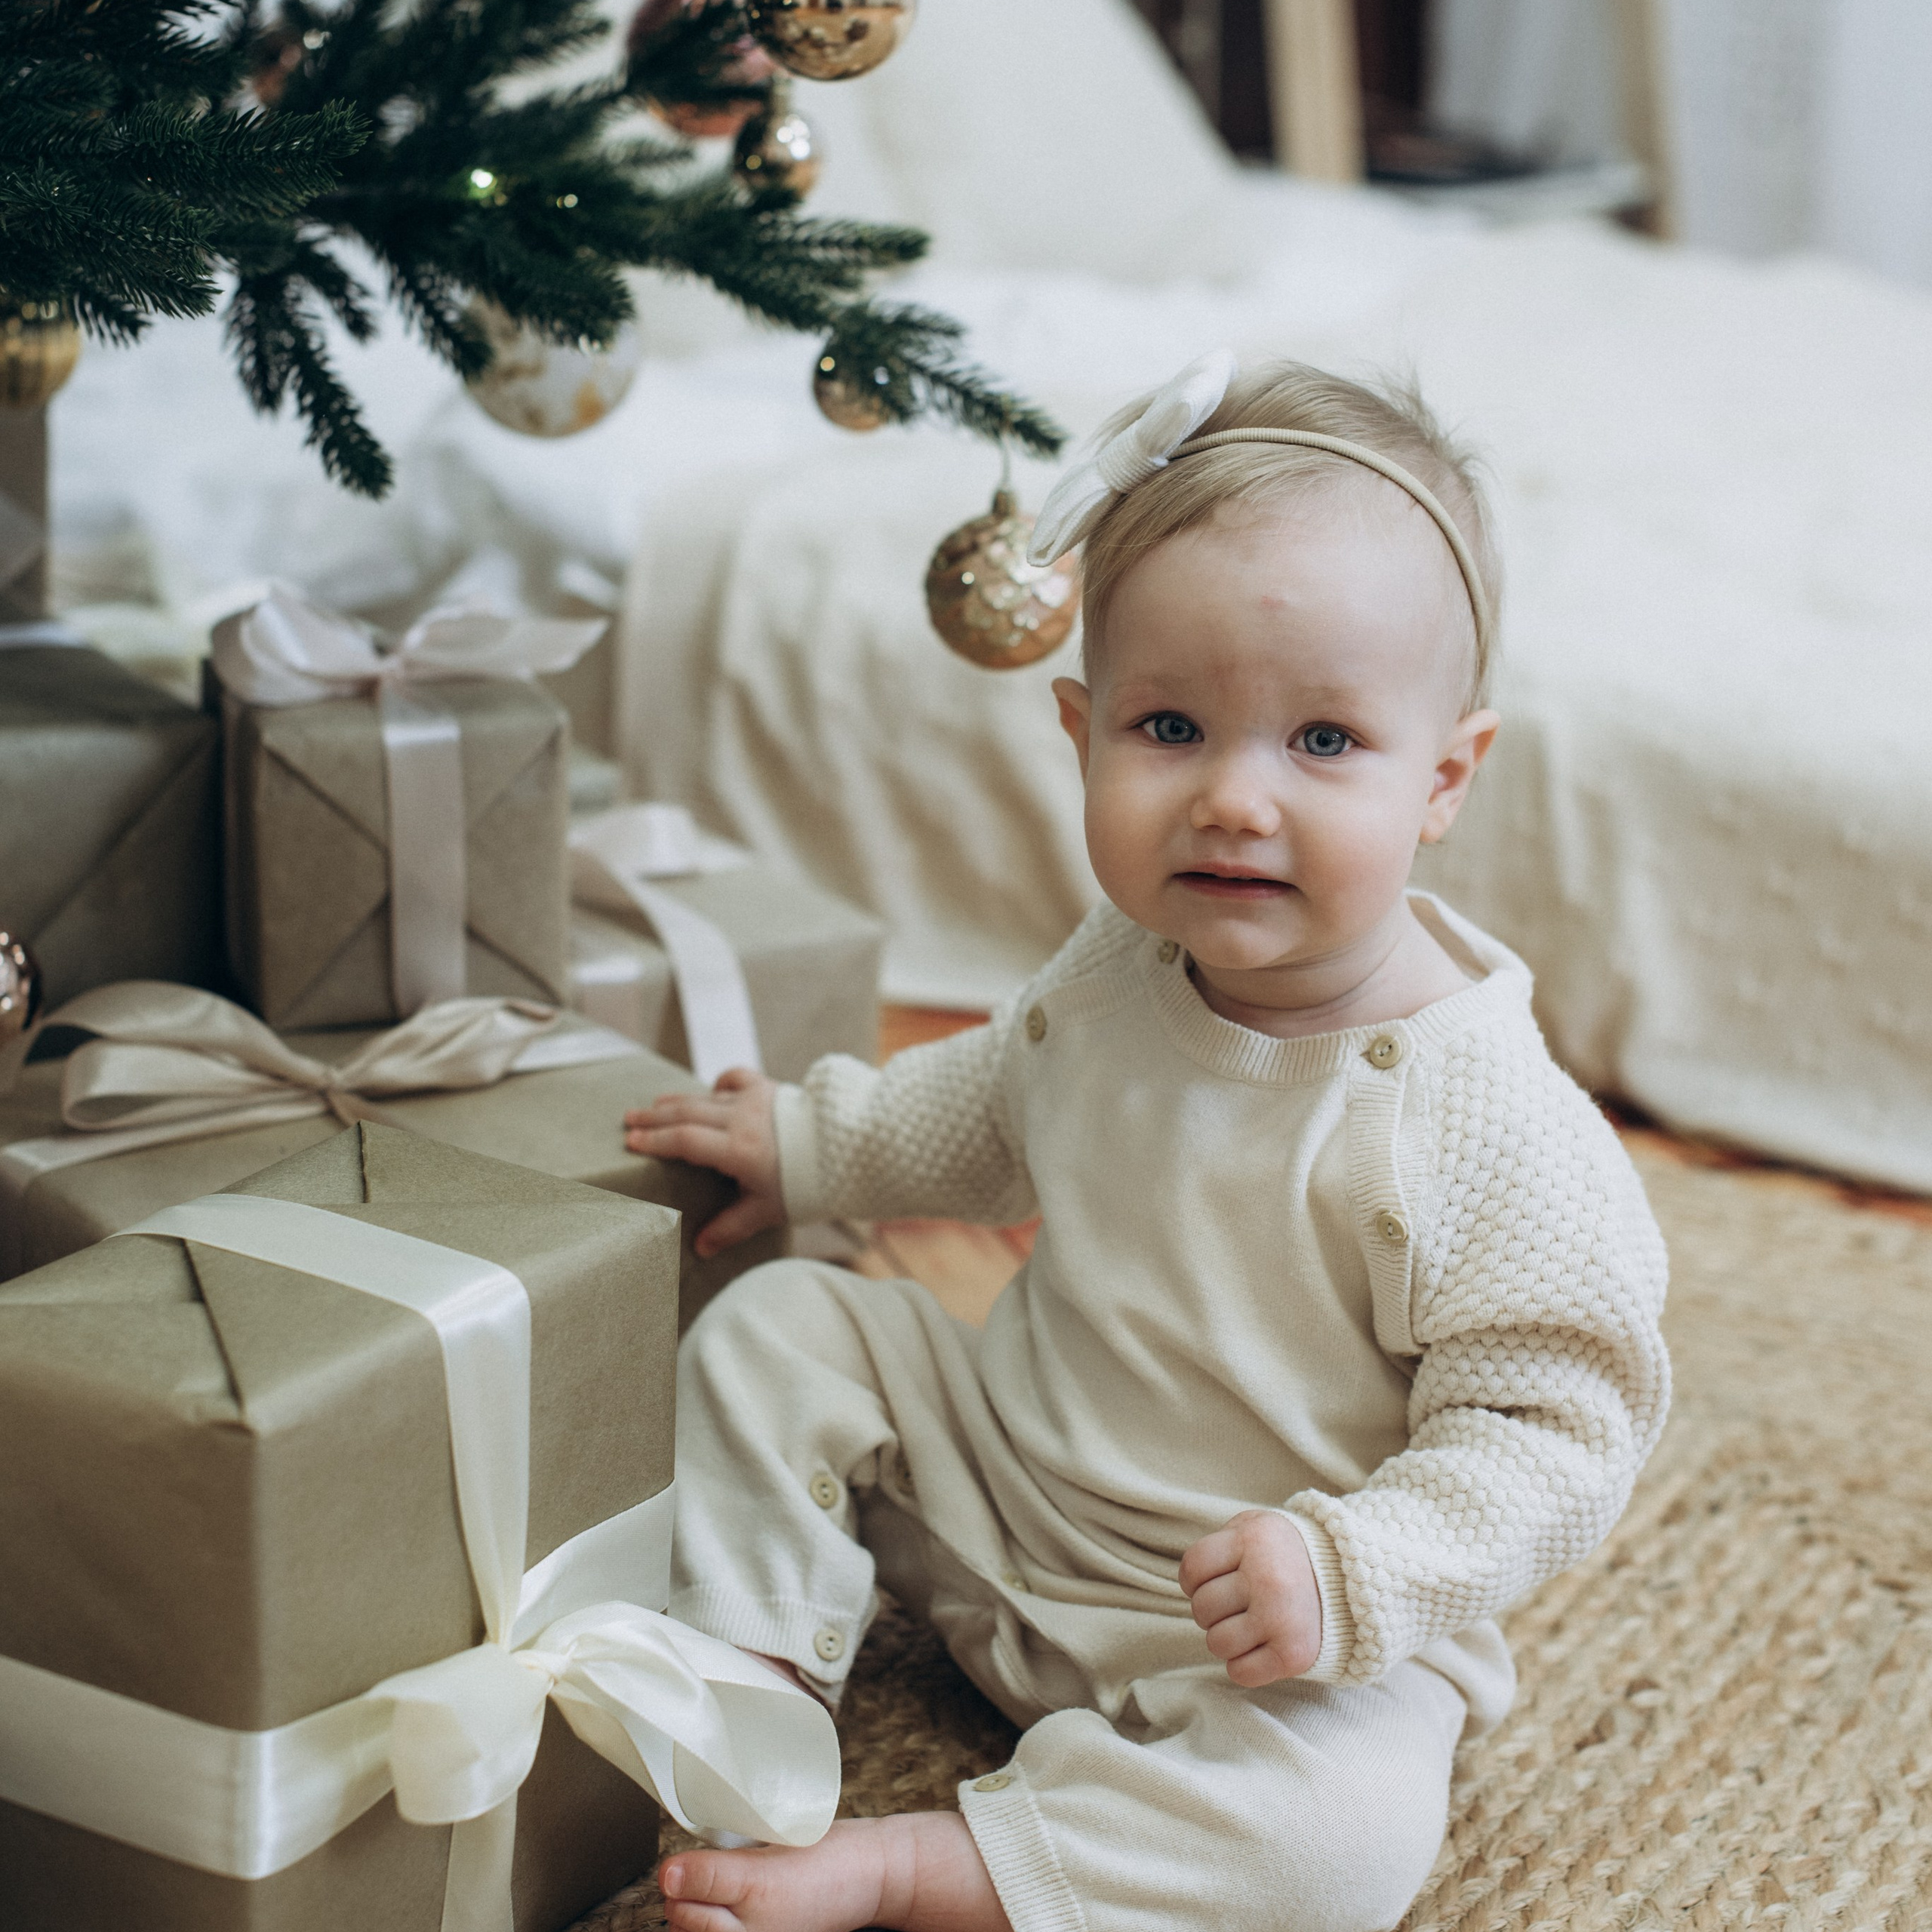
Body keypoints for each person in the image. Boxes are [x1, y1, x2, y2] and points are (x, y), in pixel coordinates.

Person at [623, 351, 1670, 1932]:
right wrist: (816, 1142)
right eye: (1170, 726)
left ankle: (928, 1863)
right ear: (1078, 727)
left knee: (1341, 1840)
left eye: (1322, 742)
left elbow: (1553, 1427)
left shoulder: (1486, 1121)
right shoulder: (1116, 969)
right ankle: (749, 1687)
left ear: (1443, 774)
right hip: (1009, 1491)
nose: (1234, 801)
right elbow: (987, 1108)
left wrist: (1358, 1571)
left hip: (1269, 1627)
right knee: (780, 1327)